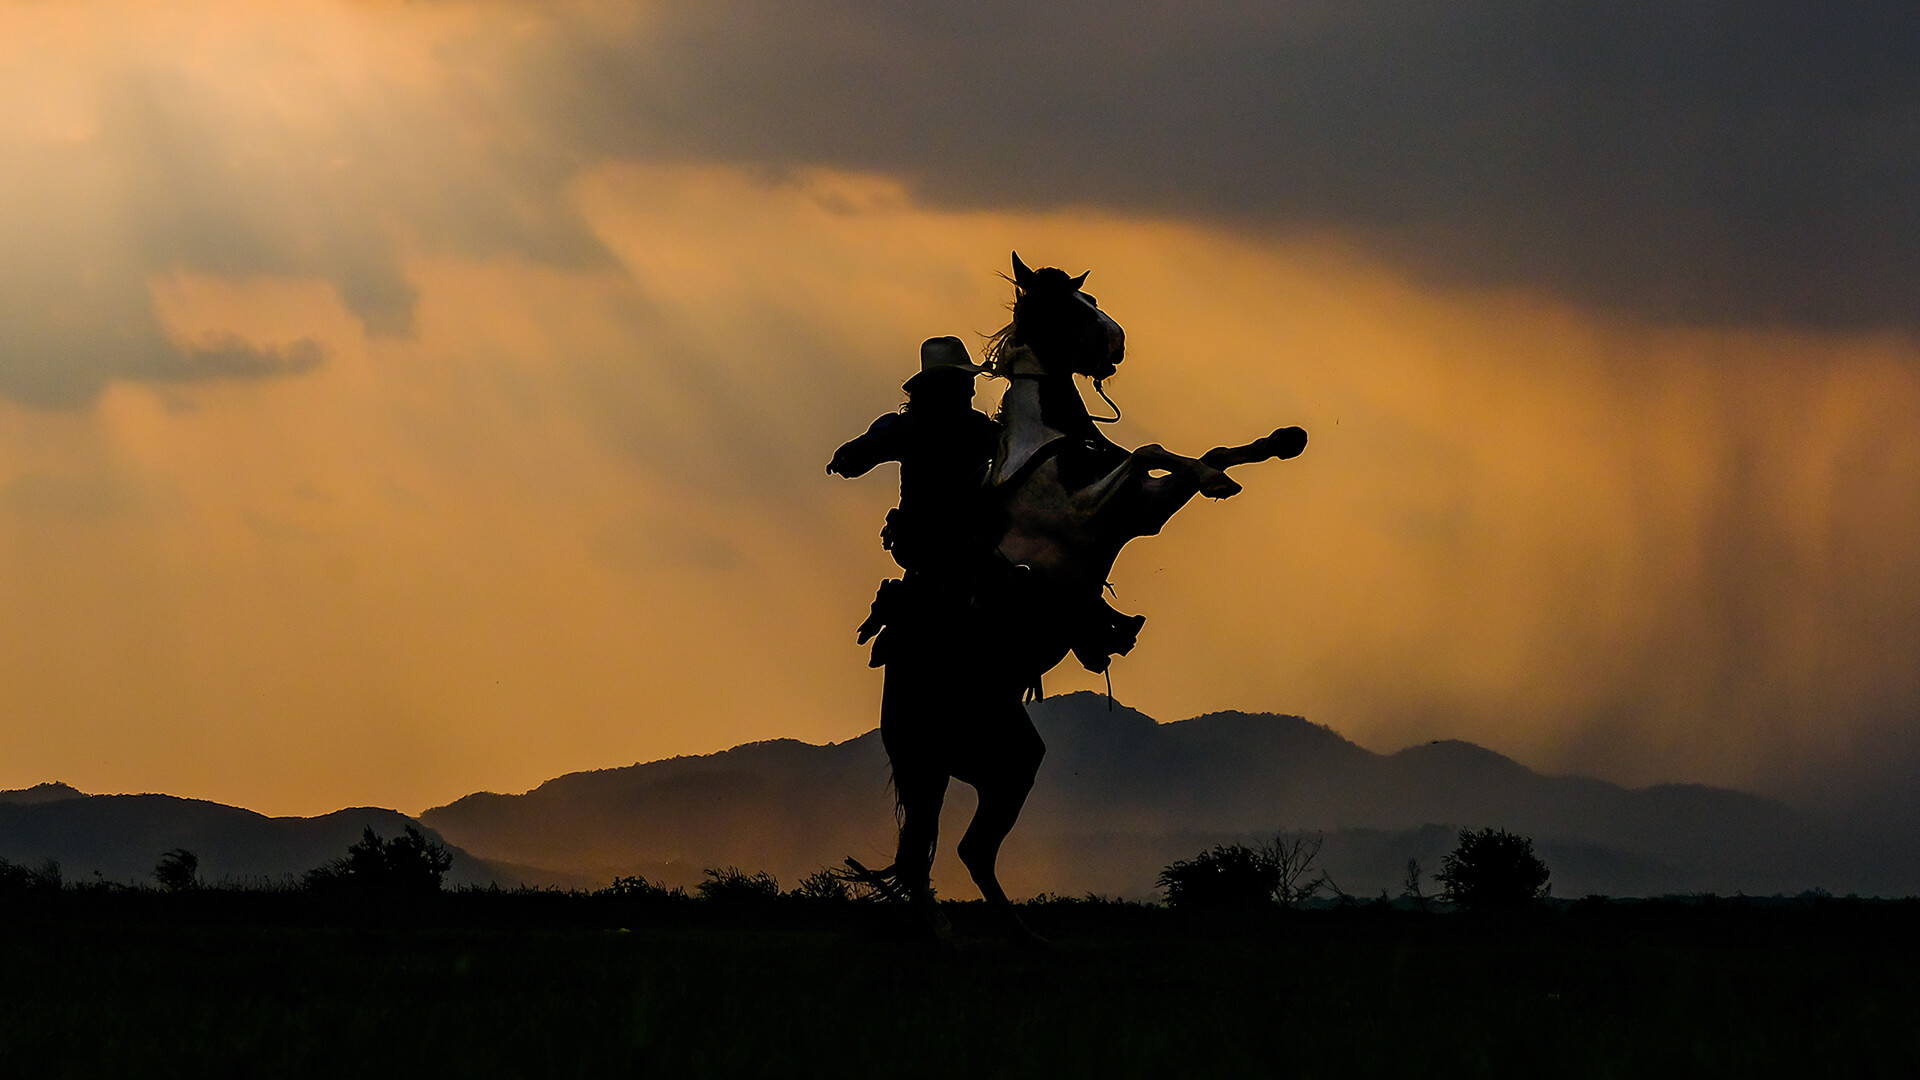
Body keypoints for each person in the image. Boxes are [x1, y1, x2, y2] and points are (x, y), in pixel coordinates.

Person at [829, 337, 1002, 664]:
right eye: (966, 380)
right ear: (947, 386)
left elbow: (854, 459)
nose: (972, 390)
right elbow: (857, 457)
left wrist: (847, 457)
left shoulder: (913, 427)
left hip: (947, 552)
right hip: (945, 552)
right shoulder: (974, 430)